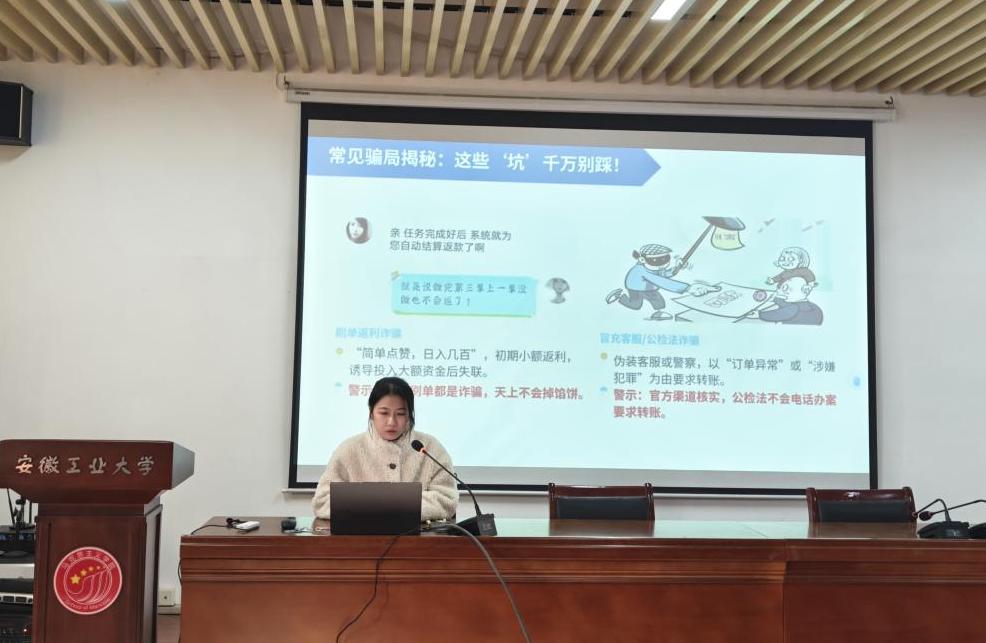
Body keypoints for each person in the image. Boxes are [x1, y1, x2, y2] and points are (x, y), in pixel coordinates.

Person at [311, 377, 457, 521]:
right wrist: (376, 507)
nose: (391, 422)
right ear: (371, 412)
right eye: (384, 413)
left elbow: (447, 499)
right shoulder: (349, 450)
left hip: (419, 535)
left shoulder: (429, 447)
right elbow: (322, 501)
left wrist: (397, 507)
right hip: (361, 534)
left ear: (409, 415)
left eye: (400, 414)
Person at [605, 243, 718, 320]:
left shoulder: (654, 268)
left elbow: (664, 274)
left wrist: (676, 268)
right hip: (635, 287)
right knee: (635, 305)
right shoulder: (641, 270)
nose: (662, 264)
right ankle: (620, 296)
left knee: (659, 302)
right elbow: (661, 281)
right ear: (642, 259)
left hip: (650, 288)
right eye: (656, 260)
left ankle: (658, 313)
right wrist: (687, 288)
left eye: (665, 259)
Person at [753, 267, 823, 325]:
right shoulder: (795, 303)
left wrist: (760, 315)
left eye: (786, 288)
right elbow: (785, 304)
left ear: (805, 289)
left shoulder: (796, 307)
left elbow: (779, 314)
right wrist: (776, 299)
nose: (781, 292)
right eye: (781, 287)